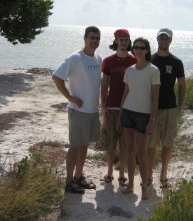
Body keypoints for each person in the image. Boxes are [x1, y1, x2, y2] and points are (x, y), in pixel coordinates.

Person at [52, 26, 102, 194]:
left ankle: (79, 177)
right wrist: (70, 97)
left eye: (97, 38)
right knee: (75, 146)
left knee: (84, 145)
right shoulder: (76, 57)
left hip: (92, 111)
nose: (94, 40)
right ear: (85, 38)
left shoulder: (97, 58)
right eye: (91, 37)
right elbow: (57, 77)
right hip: (78, 111)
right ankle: (69, 181)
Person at [117, 37, 160, 200]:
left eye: (142, 48)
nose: (138, 50)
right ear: (132, 49)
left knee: (142, 153)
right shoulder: (130, 70)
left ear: (147, 50)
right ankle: (130, 185)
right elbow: (125, 93)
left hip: (143, 115)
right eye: (136, 47)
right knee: (130, 150)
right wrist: (120, 115)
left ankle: (144, 189)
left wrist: (152, 120)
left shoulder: (153, 71)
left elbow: (156, 98)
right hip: (128, 112)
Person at [147, 28, 186, 189]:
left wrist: (180, 106)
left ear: (170, 41)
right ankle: (148, 175)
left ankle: (163, 175)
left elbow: (182, 85)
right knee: (151, 143)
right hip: (151, 108)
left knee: (167, 143)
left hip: (170, 107)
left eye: (166, 39)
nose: (163, 41)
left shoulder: (176, 62)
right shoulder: (150, 59)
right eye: (161, 38)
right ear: (157, 39)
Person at [100, 29, 136, 186]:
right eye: (121, 40)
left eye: (126, 39)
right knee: (110, 142)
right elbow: (104, 83)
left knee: (125, 144)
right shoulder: (108, 61)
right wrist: (102, 104)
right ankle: (109, 172)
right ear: (116, 41)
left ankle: (122, 173)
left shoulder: (134, 61)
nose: (123, 42)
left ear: (129, 42)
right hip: (111, 106)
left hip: (129, 108)